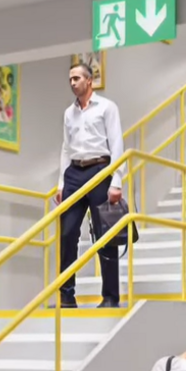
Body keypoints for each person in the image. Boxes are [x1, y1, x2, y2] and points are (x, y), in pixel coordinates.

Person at [56, 63, 125, 308]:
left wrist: (116, 181)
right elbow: (66, 147)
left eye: (76, 78)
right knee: (67, 233)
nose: (73, 83)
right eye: (70, 79)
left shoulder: (107, 107)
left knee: (104, 234)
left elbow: (116, 144)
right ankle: (66, 295)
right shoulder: (68, 113)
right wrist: (62, 182)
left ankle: (110, 296)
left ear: (89, 81)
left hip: (100, 169)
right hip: (74, 172)